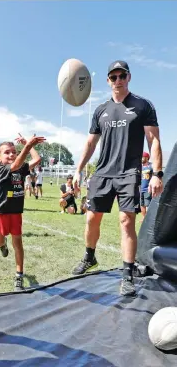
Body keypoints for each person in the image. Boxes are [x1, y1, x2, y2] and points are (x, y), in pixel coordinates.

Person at [72, 60, 163, 297]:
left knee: (126, 221)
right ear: (108, 81)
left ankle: (127, 275)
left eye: (122, 76)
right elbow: (91, 143)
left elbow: (153, 140)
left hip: (128, 173)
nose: (118, 80)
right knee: (91, 219)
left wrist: (156, 173)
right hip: (102, 172)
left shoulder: (143, 106)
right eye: (113, 77)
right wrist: (78, 169)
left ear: (129, 77)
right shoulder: (101, 109)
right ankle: (89, 257)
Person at [0, 135, 45, 291]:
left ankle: (19, 276)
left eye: (14, 152)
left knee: (18, 244)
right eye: (7, 152)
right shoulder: (0, 169)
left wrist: (27, 145)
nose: (11, 155)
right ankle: (2, 246)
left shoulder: (21, 167)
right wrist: (27, 146)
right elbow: (15, 165)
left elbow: (36, 160)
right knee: (0, 239)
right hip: (1, 212)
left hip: (16, 212)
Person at [140, 151, 153, 222]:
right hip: (140, 189)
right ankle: (144, 218)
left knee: (148, 204)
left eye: (142, 157)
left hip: (147, 189)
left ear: (147, 158)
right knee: (142, 204)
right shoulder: (139, 167)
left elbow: (155, 177)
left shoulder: (151, 166)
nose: (141, 159)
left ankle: (150, 218)